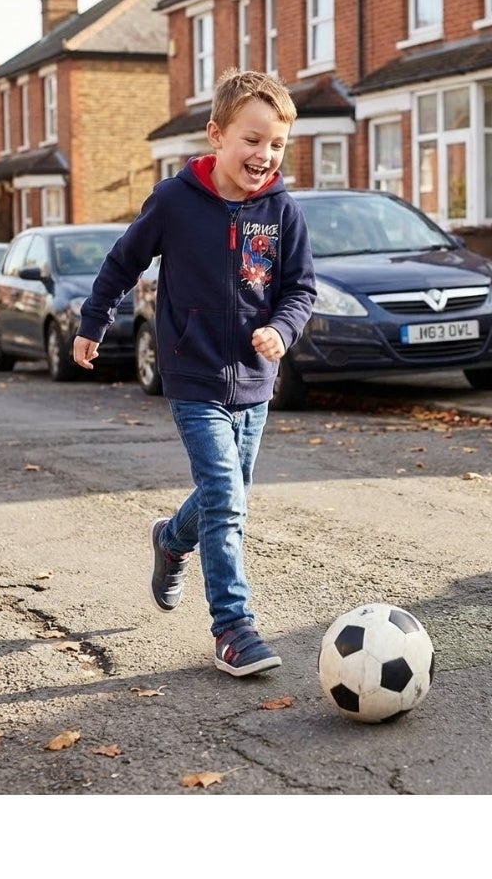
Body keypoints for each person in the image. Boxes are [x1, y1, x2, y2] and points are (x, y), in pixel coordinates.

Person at [72, 68, 317, 677]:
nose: (264, 155)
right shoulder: (175, 201)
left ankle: (171, 539)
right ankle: (233, 627)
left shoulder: (281, 211)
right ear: (216, 136)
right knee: (227, 498)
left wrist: (280, 332)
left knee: (223, 496)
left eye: (277, 143)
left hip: (254, 382)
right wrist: (92, 323)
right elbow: (123, 261)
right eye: (252, 139)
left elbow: (301, 290)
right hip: (194, 376)